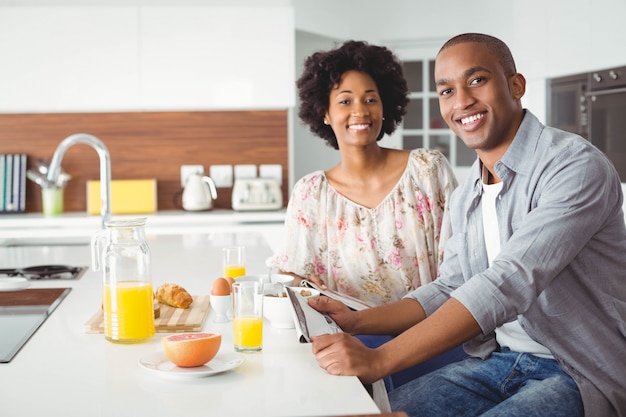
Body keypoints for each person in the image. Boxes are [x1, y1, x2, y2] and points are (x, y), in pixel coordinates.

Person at [307, 33, 626, 417]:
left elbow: (509, 281)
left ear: (516, 85)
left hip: (579, 370)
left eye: (477, 80)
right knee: (375, 411)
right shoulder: (469, 193)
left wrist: (380, 360)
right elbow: (450, 286)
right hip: (500, 363)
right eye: (446, 91)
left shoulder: (574, 166)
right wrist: (358, 321)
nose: (462, 101)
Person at [268, 40, 458, 308]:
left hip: (430, 334)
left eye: (370, 99)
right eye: (345, 101)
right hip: (350, 338)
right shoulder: (310, 194)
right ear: (324, 112)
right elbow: (290, 275)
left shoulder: (427, 170)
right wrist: (304, 284)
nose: (360, 111)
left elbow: (461, 260)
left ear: (384, 107)